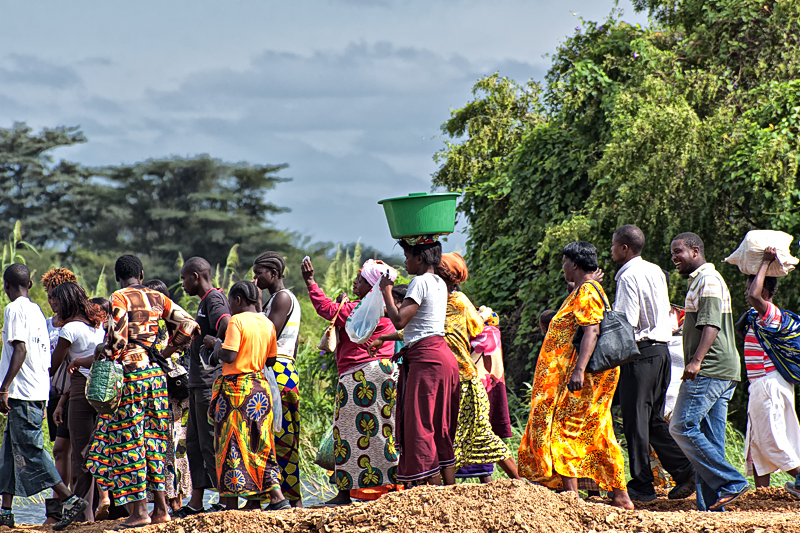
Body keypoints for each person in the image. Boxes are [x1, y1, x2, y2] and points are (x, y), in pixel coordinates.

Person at [517, 242, 633, 510]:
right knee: (597, 431)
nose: (562, 267)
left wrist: (578, 370)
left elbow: (591, 330)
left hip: (585, 377)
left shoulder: (588, 292)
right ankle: (619, 495)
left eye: (564, 262)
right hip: (587, 376)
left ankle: (571, 498)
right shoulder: (584, 290)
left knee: (564, 429)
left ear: (576, 264)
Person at [85, 255, 198, 528]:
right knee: (155, 441)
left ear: (118, 276)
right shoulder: (158, 298)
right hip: (156, 377)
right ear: (142, 275)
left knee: (130, 441)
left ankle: (140, 512)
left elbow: (118, 340)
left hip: (132, 377)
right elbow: (190, 325)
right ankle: (161, 509)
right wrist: (167, 349)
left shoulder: (120, 297)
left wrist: (106, 355)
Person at [302, 257, 399, 506]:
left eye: (360, 281)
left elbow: (325, 308)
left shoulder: (356, 310)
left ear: (371, 286)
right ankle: (390, 488)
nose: (355, 283)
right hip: (385, 373)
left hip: (358, 377)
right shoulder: (386, 310)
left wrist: (311, 282)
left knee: (347, 433)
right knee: (382, 432)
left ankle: (345, 493)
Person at [0, 264, 88, 530]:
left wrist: (4, 388)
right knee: (9, 452)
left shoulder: (14, 309)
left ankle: (70, 501)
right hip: (37, 390)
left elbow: (21, 350)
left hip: (23, 392)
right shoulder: (36, 310)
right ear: (30, 286)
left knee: (31, 450)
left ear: (6, 286)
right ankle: (5, 511)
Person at [610, 225, 695, 502]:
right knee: (653, 418)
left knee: (635, 420)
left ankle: (642, 484)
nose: (611, 251)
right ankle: (685, 470)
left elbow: (627, 321)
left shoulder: (627, 276)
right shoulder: (656, 270)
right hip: (662, 352)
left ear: (624, 248)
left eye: (613, 246)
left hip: (640, 353)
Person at [668, 233, 749, 511]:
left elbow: (711, 324)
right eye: (672, 253)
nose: (674, 257)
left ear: (695, 250)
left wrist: (696, 361)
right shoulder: (699, 280)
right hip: (723, 369)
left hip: (710, 368)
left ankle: (732, 481)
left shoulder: (708, 279)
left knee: (681, 425)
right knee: (711, 441)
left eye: (678, 251)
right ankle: (712, 508)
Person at [379, 240, 459, 486]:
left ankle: (431, 494)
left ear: (420, 259)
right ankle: (449, 488)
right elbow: (421, 326)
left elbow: (400, 320)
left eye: (407, 256)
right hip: (442, 357)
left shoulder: (421, 281)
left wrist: (386, 291)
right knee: (440, 425)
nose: (405, 262)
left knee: (419, 425)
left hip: (427, 362)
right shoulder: (440, 283)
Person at [434, 253, 520, 480]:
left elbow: (481, 334)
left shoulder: (460, 303)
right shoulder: (434, 303)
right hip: (446, 380)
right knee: (453, 436)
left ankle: (520, 483)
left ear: (446, 276)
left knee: (480, 433)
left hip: (464, 380)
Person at [209, 281, 290, 511]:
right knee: (260, 443)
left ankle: (233, 504)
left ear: (237, 300)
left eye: (231, 303)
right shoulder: (266, 322)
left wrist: (216, 344)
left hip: (236, 392)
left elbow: (230, 355)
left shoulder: (237, 321)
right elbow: (271, 360)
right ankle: (272, 498)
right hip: (259, 389)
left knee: (231, 443)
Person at [175, 258, 230, 517]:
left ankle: (226, 499)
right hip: (198, 384)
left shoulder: (214, 300)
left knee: (212, 441)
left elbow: (227, 326)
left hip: (210, 384)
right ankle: (196, 502)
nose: (183, 284)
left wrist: (214, 343)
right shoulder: (205, 301)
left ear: (196, 276)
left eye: (185, 278)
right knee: (195, 443)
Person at [741, 247, 800, 490]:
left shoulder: (770, 314)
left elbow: (755, 297)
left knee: (771, 440)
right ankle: (762, 496)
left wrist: (764, 263)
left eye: (751, 286)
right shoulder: (756, 318)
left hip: (768, 383)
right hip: (761, 385)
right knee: (756, 444)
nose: (747, 293)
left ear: (764, 289)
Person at [48, 283, 107, 524]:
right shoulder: (97, 325)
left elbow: (53, 366)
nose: (55, 307)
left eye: (58, 303)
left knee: (80, 454)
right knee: (96, 451)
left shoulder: (70, 329)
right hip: (102, 390)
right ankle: (92, 512)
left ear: (67, 303)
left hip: (82, 393)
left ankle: (83, 518)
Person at [253, 252, 303, 506]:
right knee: (275, 437)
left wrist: (255, 305)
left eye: (259, 272)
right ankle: (280, 497)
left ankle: (290, 499)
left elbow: (268, 336)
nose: (255, 277)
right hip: (281, 370)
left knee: (282, 438)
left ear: (273, 274)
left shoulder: (282, 298)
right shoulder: (276, 299)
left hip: (280, 372)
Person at [144, 279, 193, 513]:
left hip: (165, 389)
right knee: (177, 444)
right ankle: (176, 499)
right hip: (180, 388)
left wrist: (162, 355)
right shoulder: (177, 322)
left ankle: (170, 501)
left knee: (164, 445)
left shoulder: (156, 325)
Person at [40, 268, 79, 525]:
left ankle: (75, 506)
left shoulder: (78, 325)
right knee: (60, 450)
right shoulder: (46, 324)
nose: (52, 301)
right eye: (49, 296)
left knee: (76, 450)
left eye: (55, 296)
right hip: (54, 393)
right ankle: (59, 509)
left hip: (74, 390)